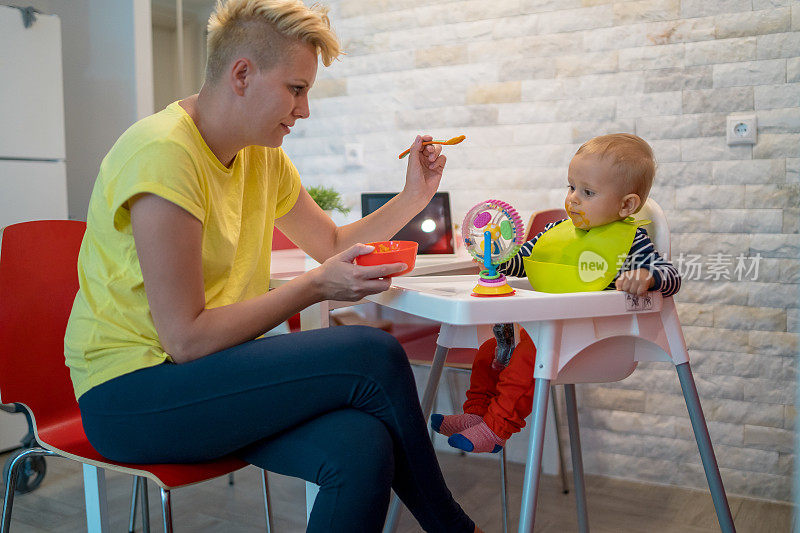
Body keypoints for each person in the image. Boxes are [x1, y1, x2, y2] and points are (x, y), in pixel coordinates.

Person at [64, 1, 482, 531]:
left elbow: (329, 242)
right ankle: (454, 527)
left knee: (361, 445)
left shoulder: (262, 155)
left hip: (206, 377)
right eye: (296, 88)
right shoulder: (162, 154)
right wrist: (313, 287)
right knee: (371, 352)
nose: (303, 110)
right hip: (130, 394)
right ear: (242, 74)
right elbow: (185, 340)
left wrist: (412, 198)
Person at [431, 133, 681, 453]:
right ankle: (476, 415)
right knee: (488, 352)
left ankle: (497, 429)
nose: (574, 198)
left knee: (525, 358)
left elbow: (672, 277)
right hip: (540, 334)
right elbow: (525, 263)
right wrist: (497, 257)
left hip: (594, 343)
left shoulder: (631, 243)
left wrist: (647, 276)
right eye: (571, 187)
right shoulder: (556, 233)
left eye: (588, 192)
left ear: (626, 205)